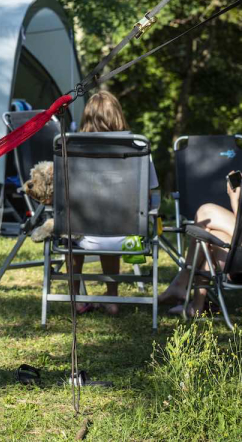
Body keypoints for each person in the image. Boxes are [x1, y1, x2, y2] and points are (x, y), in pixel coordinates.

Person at [68, 91, 160, 316]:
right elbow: (150, 193)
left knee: (72, 228)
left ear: (87, 117)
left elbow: (64, 193)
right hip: (125, 234)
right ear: (118, 115)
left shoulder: (71, 146)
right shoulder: (138, 145)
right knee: (109, 222)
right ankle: (112, 299)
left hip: (82, 235)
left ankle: (75, 301)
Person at [157, 169, 242, 317]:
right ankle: (196, 305)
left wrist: (236, 199)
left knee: (206, 211)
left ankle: (181, 281)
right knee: (210, 236)